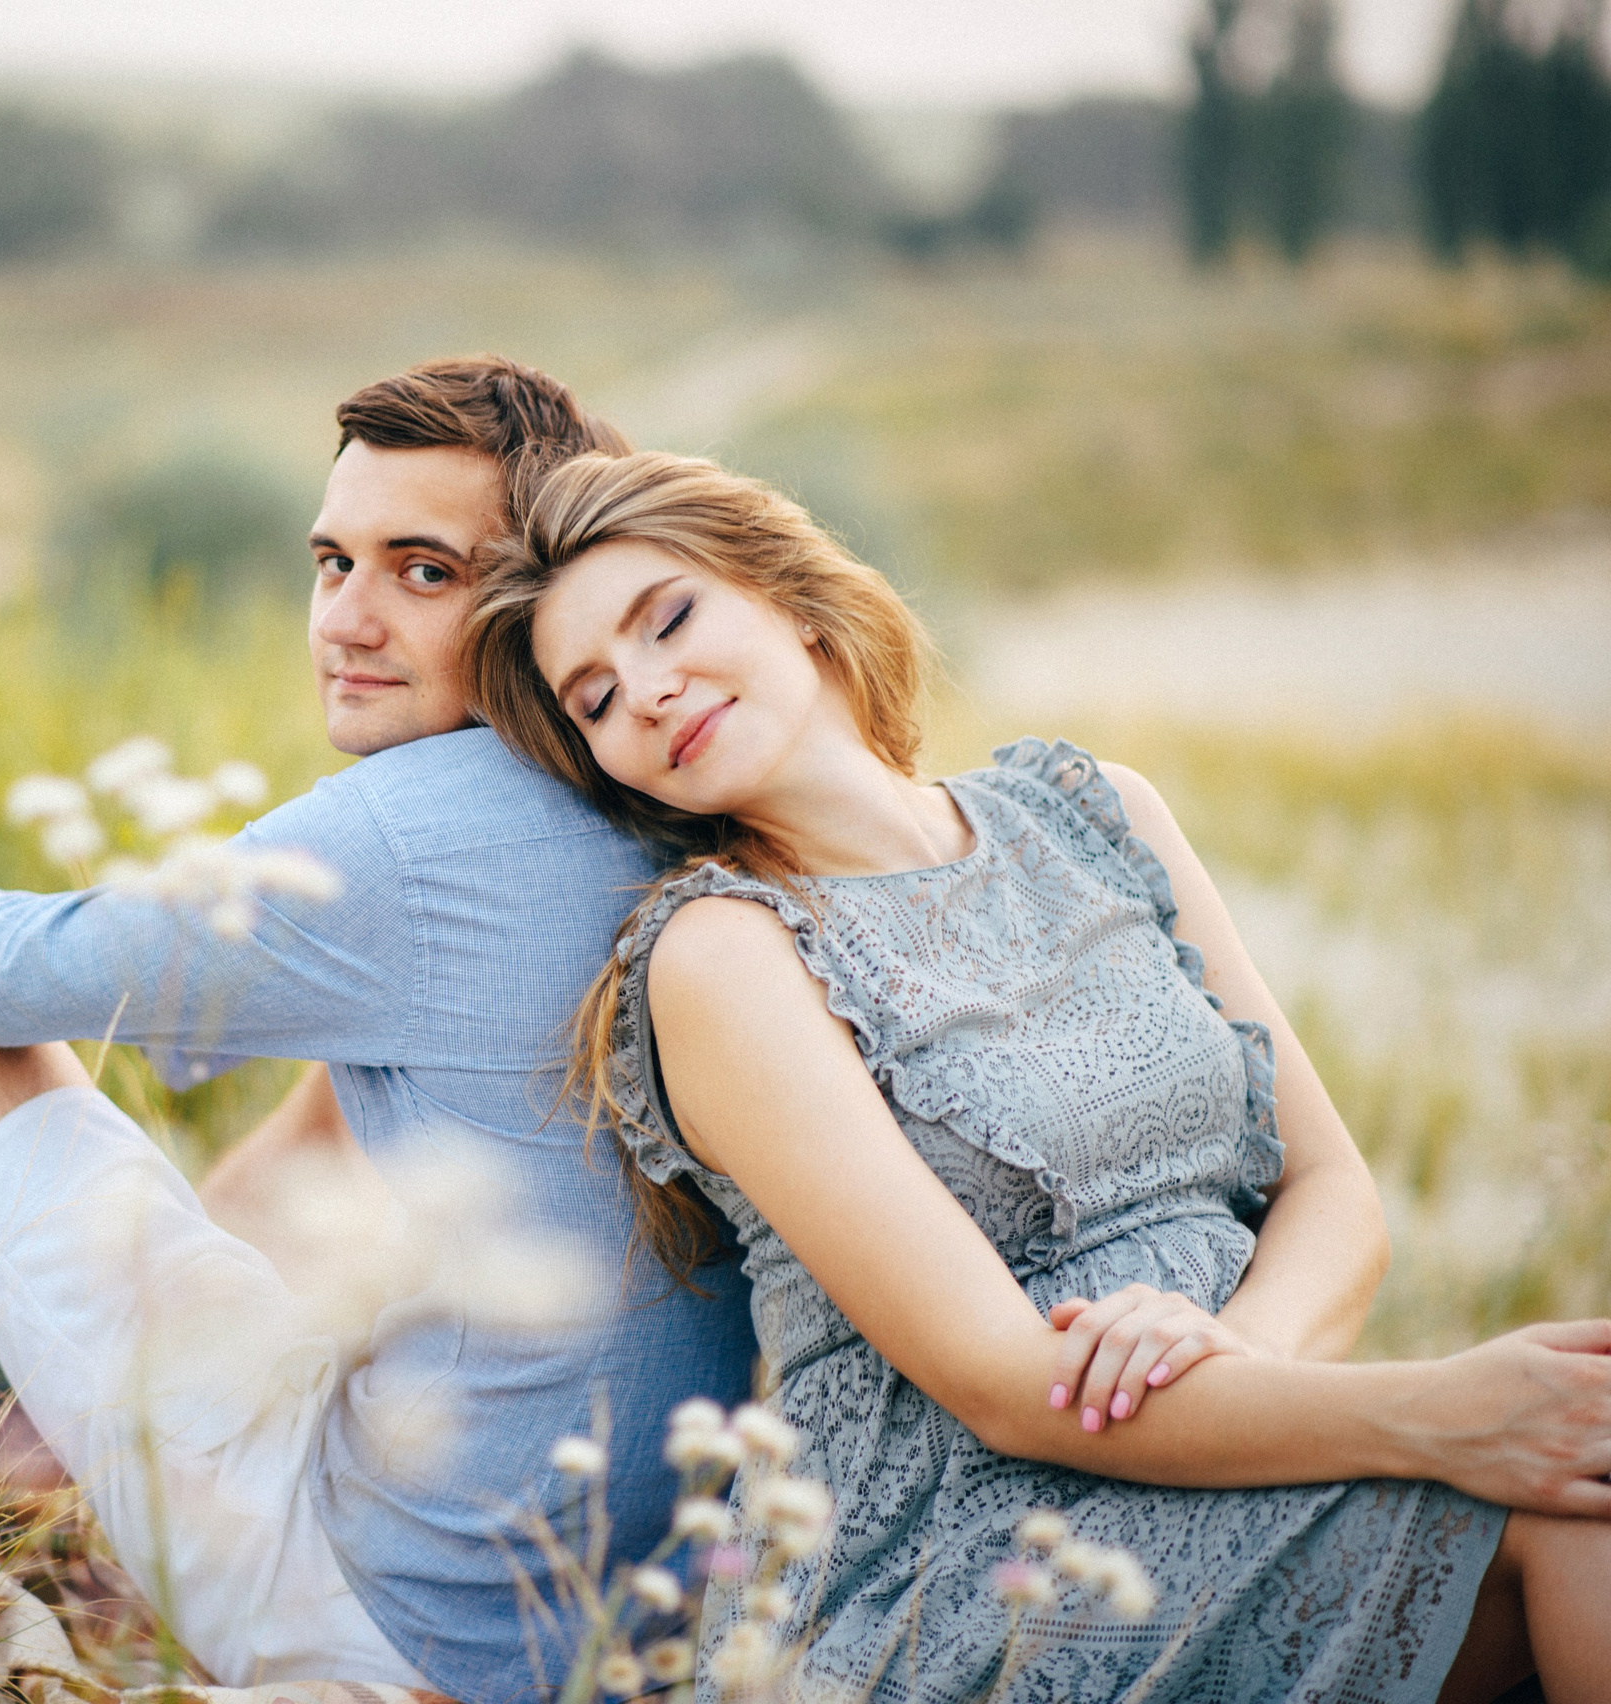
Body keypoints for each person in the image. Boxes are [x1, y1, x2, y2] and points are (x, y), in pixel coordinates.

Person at [460, 448, 1611, 1703]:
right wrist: (1438, 1410)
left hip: (1250, 1435)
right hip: (974, 1546)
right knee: (1581, 1516)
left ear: (786, 593)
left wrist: (1236, 1352)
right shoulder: (724, 954)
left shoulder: (1094, 810)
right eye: (594, 699)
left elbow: (1331, 1186)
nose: (647, 690)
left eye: (668, 618)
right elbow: (1006, 1391)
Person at [0, 358, 762, 1701]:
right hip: (633, 1622)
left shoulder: (399, 837)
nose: (348, 618)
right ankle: (24, 1461)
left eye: (423, 572)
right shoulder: (678, 787)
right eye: (332, 563)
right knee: (352, 1110)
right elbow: (306, 1148)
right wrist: (99, 1394)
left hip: (394, 1625)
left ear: (535, 602)